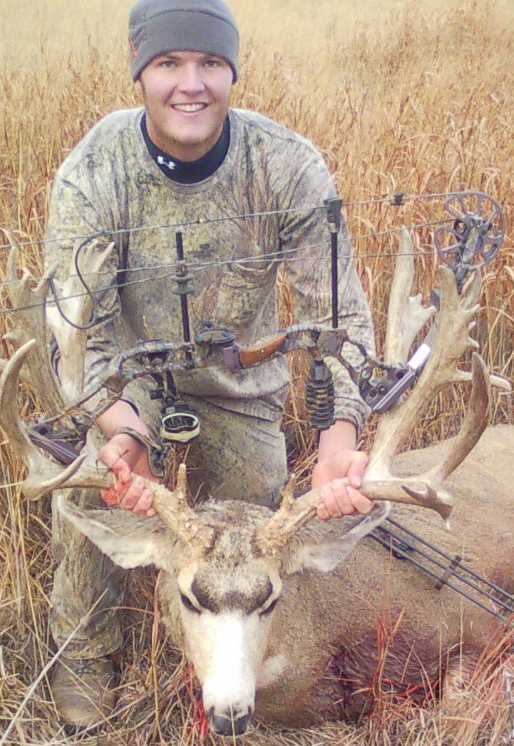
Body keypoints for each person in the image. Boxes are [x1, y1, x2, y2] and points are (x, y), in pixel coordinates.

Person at [44, 0, 376, 728]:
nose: (190, 84)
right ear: (140, 72)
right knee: (98, 494)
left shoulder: (286, 164)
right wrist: (122, 432)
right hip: (129, 386)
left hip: (237, 391)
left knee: (258, 522)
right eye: (168, 63)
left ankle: (247, 656)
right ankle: (86, 651)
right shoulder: (93, 173)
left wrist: (339, 436)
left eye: (209, 63)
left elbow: (340, 320)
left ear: (231, 71)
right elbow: (73, 332)